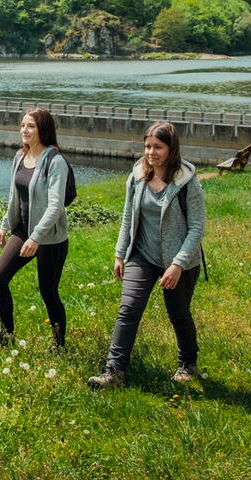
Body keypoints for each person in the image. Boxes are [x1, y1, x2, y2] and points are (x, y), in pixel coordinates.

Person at [89, 121, 206, 389]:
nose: (151, 152)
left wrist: (178, 264)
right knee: (128, 310)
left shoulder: (187, 182)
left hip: (179, 262)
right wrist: (120, 254)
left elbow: (197, 227)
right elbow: (128, 217)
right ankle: (114, 372)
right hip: (141, 256)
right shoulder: (137, 176)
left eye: (158, 147)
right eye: (147, 146)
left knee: (178, 314)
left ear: (171, 149)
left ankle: (188, 364)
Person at [0, 107, 70, 350]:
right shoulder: (20, 157)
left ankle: (59, 345)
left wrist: (37, 237)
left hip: (50, 237)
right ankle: (6, 334)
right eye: (22, 125)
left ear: (43, 130)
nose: (24, 130)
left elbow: (55, 206)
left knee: (48, 292)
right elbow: (13, 196)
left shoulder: (55, 161)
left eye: (30, 126)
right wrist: (5, 225)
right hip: (23, 231)